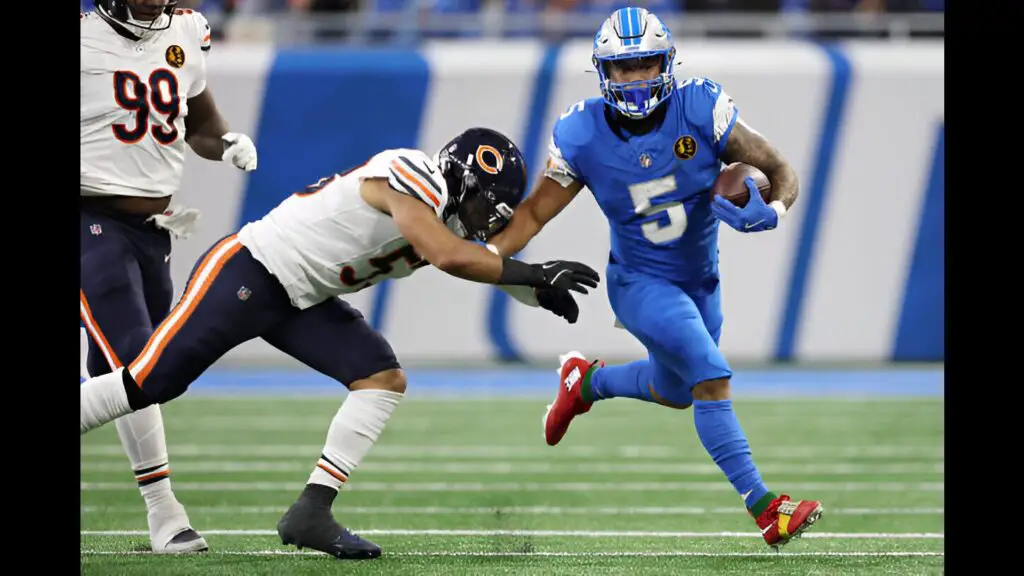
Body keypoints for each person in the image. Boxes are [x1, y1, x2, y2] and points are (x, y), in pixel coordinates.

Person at [79, 127, 601, 559]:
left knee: (381, 376)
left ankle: (312, 511)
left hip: (300, 298)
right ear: (463, 180)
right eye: (489, 203)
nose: (491, 218)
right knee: (150, 381)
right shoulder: (413, 174)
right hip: (252, 270)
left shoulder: (440, 213)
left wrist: (536, 290)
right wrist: (534, 272)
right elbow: (447, 256)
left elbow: (467, 254)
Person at [485, 7, 823, 550]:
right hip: (640, 283)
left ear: (666, 62)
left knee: (676, 391)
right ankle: (767, 509)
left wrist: (774, 211)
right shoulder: (581, 132)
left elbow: (781, 171)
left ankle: (585, 382)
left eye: (645, 64)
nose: (636, 77)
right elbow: (532, 215)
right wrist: (478, 255)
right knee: (711, 378)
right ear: (604, 73)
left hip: (701, 282)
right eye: (623, 68)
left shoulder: (701, 108)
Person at [81, 0, 259, 554]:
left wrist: (225, 142)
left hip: (154, 229)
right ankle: (165, 513)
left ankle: (163, 512)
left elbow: (199, 124)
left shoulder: (185, 30)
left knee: (127, 372)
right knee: (138, 363)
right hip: (88, 217)